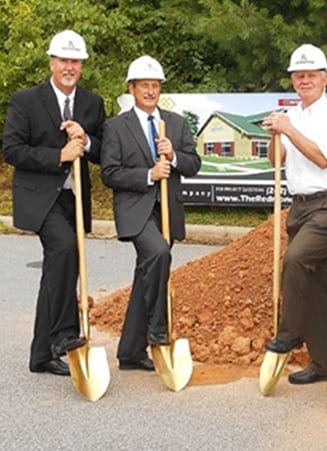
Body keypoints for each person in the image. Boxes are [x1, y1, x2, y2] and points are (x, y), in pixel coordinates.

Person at [2, 30, 106, 376]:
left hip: (72, 198)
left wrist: (87, 141)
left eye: (75, 61)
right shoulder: (26, 100)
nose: (69, 67)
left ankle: (40, 355)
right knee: (63, 250)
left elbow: (104, 151)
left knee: (59, 269)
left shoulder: (92, 103)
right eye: (64, 60)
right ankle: (64, 335)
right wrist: (58, 154)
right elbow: (12, 150)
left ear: (82, 66)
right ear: (51, 62)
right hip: (40, 196)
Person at [261, 44, 327, 385]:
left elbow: (321, 158)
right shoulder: (293, 116)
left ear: (324, 78)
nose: (304, 80)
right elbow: (276, 160)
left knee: (297, 260)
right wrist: (276, 135)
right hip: (300, 207)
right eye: (298, 76)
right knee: (314, 284)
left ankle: (290, 332)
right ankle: (325, 362)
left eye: (311, 75)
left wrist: (288, 129)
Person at [101, 55, 201, 371]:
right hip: (135, 211)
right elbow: (110, 173)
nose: (150, 91)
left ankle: (130, 352)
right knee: (158, 254)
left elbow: (194, 164)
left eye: (155, 85)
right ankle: (158, 330)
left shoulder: (176, 123)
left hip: (168, 210)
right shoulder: (116, 127)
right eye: (144, 85)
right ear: (131, 88)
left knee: (147, 274)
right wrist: (148, 174)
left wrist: (174, 156)